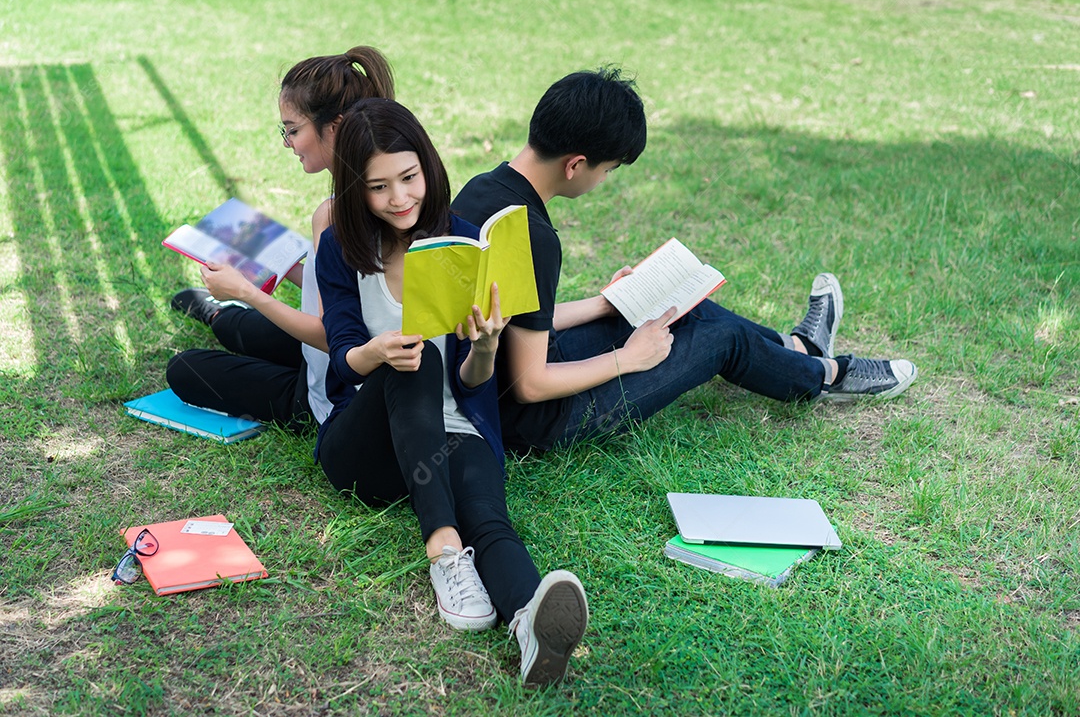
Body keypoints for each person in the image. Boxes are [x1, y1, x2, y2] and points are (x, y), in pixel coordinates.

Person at [451, 67, 918, 454]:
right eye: (608, 170)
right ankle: (827, 375)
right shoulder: (532, 234)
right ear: (575, 164)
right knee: (724, 339)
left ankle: (796, 348)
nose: (605, 180)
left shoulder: (481, 190)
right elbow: (531, 383)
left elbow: (515, 320)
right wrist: (627, 358)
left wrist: (602, 304)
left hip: (501, 387)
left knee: (680, 307)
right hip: (536, 420)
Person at [316, 97, 588, 685]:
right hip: (365, 447)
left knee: (488, 517)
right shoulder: (341, 248)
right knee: (407, 366)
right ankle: (443, 550)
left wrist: (487, 344)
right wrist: (375, 351)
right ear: (356, 189)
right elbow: (340, 357)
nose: (399, 199)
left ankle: (528, 624)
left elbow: (472, 380)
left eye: (409, 178)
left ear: (428, 168)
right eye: (378, 186)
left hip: (453, 432)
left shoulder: (462, 242)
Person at [165, 46, 395, 429]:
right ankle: (217, 313)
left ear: (334, 127)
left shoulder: (337, 213)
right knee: (244, 328)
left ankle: (224, 311)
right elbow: (350, 294)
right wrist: (285, 265)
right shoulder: (373, 188)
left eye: (293, 130)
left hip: (333, 385)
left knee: (186, 369)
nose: (287, 142)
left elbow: (333, 335)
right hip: (327, 354)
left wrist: (246, 291)